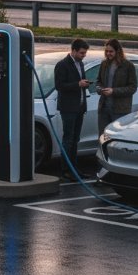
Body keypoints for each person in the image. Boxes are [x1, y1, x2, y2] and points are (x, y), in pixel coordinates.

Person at [53, 38, 90, 179]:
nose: (83, 55)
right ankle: (66, 170)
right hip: (68, 108)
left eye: (84, 53)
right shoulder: (62, 65)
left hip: (80, 107)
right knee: (68, 139)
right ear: (73, 50)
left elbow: (80, 82)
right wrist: (78, 84)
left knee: (75, 139)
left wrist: (84, 84)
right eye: (81, 53)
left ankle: (74, 169)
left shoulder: (80, 64)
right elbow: (59, 86)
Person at [95, 39, 138, 136]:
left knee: (118, 137)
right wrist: (99, 89)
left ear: (118, 51)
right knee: (103, 136)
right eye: (106, 51)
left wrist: (113, 91)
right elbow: (98, 81)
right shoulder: (104, 64)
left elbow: (132, 87)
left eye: (111, 51)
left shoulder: (128, 66)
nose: (108, 54)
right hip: (104, 108)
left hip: (120, 110)